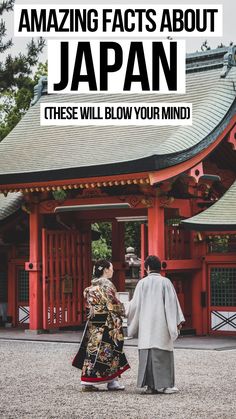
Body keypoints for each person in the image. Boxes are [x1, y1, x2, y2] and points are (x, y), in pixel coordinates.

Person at [125, 255, 185, 395]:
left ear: (147, 268)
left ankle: (149, 386)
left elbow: (134, 306)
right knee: (162, 355)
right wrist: (175, 324)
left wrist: (123, 308)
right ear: (159, 267)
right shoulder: (166, 282)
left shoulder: (142, 283)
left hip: (146, 326)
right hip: (162, 325)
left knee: (147, 355)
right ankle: (164, 386)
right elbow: (172, 305)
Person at [72, 259, 130, 391]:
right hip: (108, 324)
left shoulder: (91, 287)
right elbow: (113, 304)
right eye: (111, 268)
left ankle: (103, 381)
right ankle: (104, 381)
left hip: (95, 323)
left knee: (93, 350)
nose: (113, 270)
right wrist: (123, 310)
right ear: (105, 270)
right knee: (110, 351)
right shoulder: (106, 286)